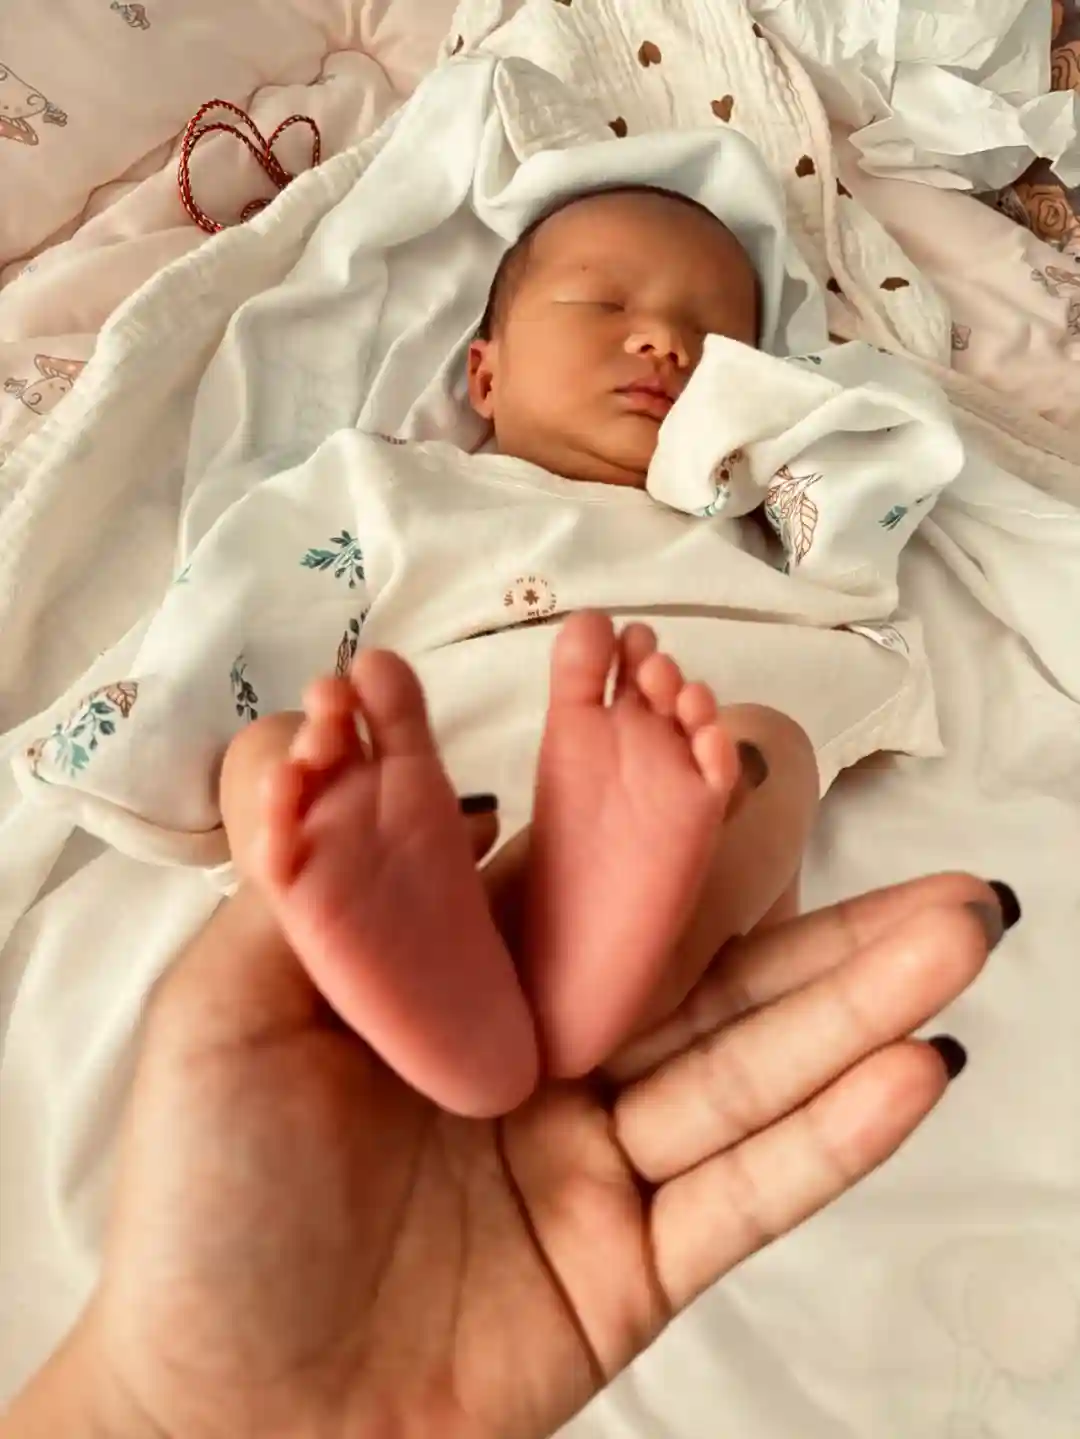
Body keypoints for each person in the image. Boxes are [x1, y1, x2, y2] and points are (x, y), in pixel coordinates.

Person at [1, 850, 1017, 1439]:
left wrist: (156, 1414)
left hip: (491, 881)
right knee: (277, 757)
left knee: (765, 751)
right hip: (461, 855)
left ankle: (644, 930)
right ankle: (630, 931)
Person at [196, 186, 818, 1117]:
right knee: (272, 754)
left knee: (767, 747)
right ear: (486, 378)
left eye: (713, 338)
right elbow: (250, 607)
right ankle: (400, 962)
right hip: (421, 801)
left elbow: (868, 533)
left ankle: (610, 981)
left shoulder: (751, 534)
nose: (666, 343)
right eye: (604, 303)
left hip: (651, 802)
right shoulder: (396, 484)